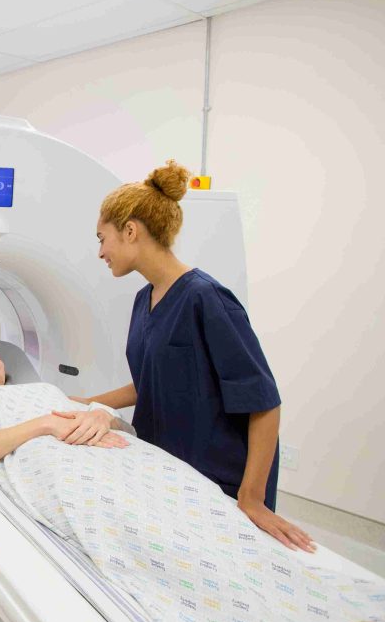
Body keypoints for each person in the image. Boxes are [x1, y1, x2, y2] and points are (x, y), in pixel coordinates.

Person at [0, 343, 385, 622]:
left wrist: (99, 416)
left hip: (126, 458)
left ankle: (320, 612)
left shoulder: (48, 389)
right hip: (60, 467)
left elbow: (106, 415)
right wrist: (45, 424)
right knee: (146, 531)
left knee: (206, 513)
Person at [71, 160, 313, 554]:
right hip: (167, 471)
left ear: (130, 231)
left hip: (220, 482)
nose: (100, 252)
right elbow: (155, 379)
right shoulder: (142, 300)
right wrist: (87, 402)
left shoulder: (206, 298)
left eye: (103, 238)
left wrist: (251, 498)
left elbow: (264, 402)